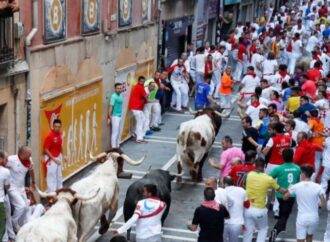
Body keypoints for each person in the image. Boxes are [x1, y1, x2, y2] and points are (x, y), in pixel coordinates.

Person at [243, 158, 286, 242]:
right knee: (263, 228)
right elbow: (281, 191)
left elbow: (244, 186)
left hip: (247, 209)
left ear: (255, 165)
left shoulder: (248, 175)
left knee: (248, 231)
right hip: (260, 209)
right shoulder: (268, 179)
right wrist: (291, 189)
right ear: (264, 167)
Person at [284, 165, 326, 242]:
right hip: (314, 217)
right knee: (309, 238)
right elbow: (323, 204)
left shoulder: (296, 186)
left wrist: (289, 188)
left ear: (303, 174)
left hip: (302, 218)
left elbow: (285, 197)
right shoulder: (318, 187)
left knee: (300, 240)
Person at [268, 149, 301, 242]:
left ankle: (282, 227)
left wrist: (278, 187)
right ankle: (275, 230)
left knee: (283, 212)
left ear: (283, 157)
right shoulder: (297, 168)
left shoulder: (279, 168)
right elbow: (297, 181)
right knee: (284, 215)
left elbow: (269, 179)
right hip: (291, 195)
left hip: (280, 195)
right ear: (292, 156)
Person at [6, 146, 36, 232]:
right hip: (12, 187)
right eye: (29, 154)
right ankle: (13, 223)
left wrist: (33, 182)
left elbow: (31, 170)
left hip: (21, 188)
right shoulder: (12, 159)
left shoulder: (29, 160)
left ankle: (22, 224)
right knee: (21, 206)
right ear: (22, 154)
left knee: (26, 207)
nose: (30, 155)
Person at [222, 176, 250, 242]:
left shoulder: (222, 192)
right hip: (237, 223)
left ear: (225, 184)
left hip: (223, 223)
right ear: (233, 182)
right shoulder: (242, 190)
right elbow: (247, 205)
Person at [43, 119, 66, 192]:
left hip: (57, 157)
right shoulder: (50, 136)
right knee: (51, 177)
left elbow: (60, 146)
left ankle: (60, 191)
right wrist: (54, 159)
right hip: (51, 159)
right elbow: (46, 150)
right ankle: (51, 195)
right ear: (53, 126)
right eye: (56, 126)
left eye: (59, 126)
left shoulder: (60, 134)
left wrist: (63, 155)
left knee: (59, 176)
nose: (57, 128)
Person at [129, 76, 148, 143]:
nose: (142, 82)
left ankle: (136, 133)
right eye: (141, 81)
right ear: (139, 81)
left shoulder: (139, 86)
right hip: (136, 107)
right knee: (140, 122)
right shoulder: (140, 87)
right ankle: (139, 138)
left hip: (137, 107)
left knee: (143, 119)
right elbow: (146, 96)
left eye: (143, 81)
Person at [108, 83, 123, 148]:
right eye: (118, 88)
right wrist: (109, 116)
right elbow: (111, 106)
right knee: (115, 133)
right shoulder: (113, 96)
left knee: (119, 132)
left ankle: (117, 145)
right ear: (115, 89)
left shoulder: (120, 95)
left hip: (119, 116)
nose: (119, 89)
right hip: (115, 117)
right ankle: (113, 147)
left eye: (120, 88)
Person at [0, 151, 10, 240]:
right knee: (2, 223)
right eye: (5, 159)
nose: (7, 160)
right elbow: (7, 186)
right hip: (1, 200)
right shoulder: (5, 171)